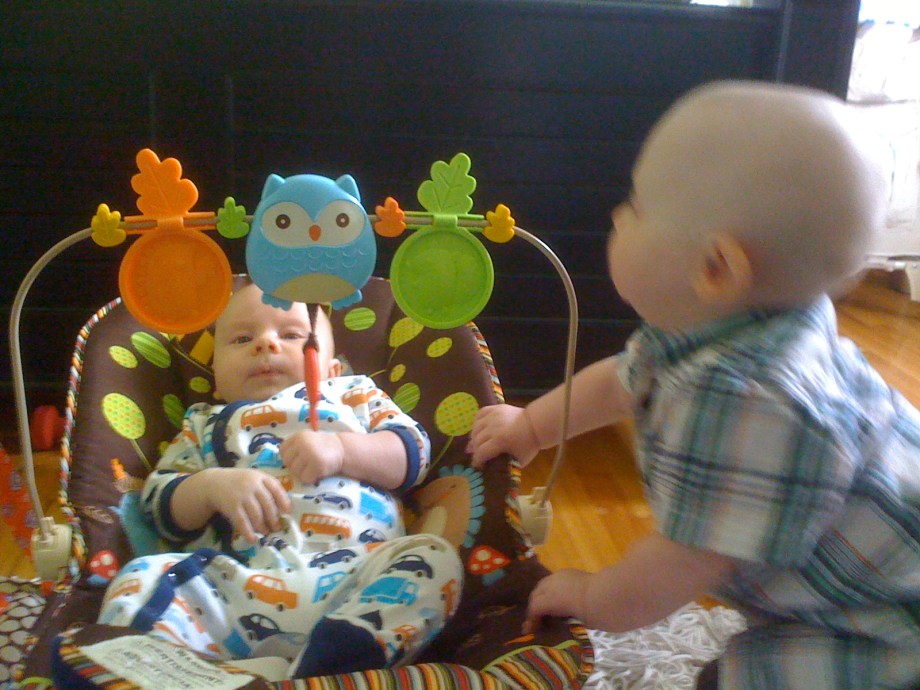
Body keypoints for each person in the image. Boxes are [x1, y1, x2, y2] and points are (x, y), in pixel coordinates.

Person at [467, 81, 920, 689]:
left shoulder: (749, 401)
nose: (618, 215)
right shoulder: (738, 320)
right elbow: (619, 382)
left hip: (888, 631)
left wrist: (594, 595)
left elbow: (683, 559)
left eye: (637, 204)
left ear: (714, 268)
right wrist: (530, 428)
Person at [99, 281, 463, 679]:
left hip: (360, 582)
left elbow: (413, 454)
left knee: (434, 559)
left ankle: (327, 664)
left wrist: (342, 450)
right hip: (238, 591)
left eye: (291, 336)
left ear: (333, 370)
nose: (265, 344)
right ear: (216, 376)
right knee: (140, 580)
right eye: (242, 339)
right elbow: (158, 504)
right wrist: (212, 486)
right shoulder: (204, 422)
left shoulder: (352, 394)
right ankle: (155, 674)